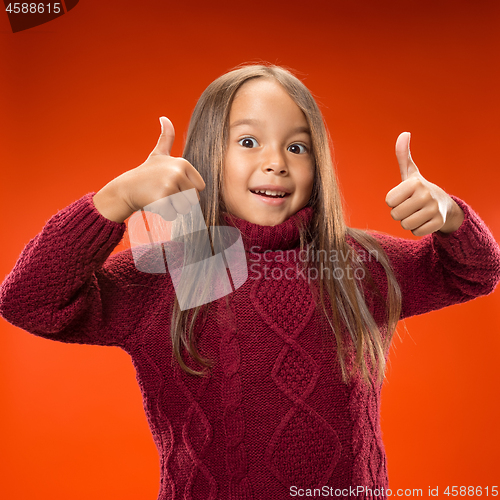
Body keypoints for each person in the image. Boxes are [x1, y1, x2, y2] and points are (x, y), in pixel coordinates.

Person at [1, 64, 499, 500]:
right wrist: (113, 201)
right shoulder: (170, 275)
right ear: (203, 158)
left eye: (297, 145)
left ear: (318, 164)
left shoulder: (356, 264)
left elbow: (476, 271)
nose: (276, 161)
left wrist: (451, 216)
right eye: (247, 141)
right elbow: (29, 301)